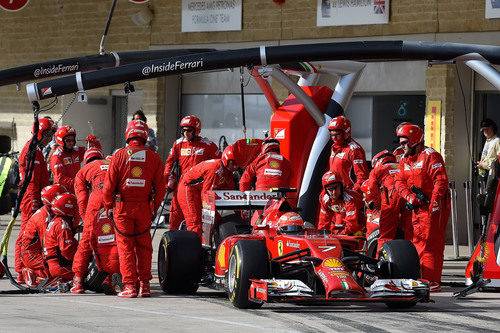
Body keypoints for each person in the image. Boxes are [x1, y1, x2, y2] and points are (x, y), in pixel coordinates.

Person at [102, 119, 166, 298]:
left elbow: (108, 188)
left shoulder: (119, 156)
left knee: (125, 246)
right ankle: (145, 285)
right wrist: (154, 207)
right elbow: (161, 188)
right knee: (144, 246)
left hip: (122, 208)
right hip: (144, 207)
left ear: (128, 134)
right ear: (145, 136)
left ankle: (130, 285)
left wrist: (108, 206)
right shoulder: (154, 157)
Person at [394, 123, 451, 292]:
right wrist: (409, 197)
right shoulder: (404, 160)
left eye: (405, 143)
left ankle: (431, 280)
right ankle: (420, 278)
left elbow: (441, 181)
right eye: (401, 143)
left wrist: (434, 203)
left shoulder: (430, 156)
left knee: (431, 244)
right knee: (418, 242)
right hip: (416, 207)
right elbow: (399, 181)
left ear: (415, 141)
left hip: (434, 206)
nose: (401, 146)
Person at [163, 115, 220, 230]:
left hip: (200, 187)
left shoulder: (207, 144)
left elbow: (220, 163)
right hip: (181, 186)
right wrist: (168, 180)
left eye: (189, 130)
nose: (186, 133)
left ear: (196, 130)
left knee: (198, 219)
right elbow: (169, 163)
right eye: (183, 130)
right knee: (175, 218)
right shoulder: (178, 144)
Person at [15, 117, 54, 283]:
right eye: (48, 135)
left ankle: (28, 267)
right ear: (40, 133)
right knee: (25, 234)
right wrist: (34, 201)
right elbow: (30, 179)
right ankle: (20, 269)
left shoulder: (37, 150)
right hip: (30, 199)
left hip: (35, 197)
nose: (49, 139)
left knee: (31, 234)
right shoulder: (31, 151)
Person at [71, 148, 111, 293]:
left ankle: (78, 281)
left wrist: (85, 218)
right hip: (115, 198)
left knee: (86, 242)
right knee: (117, 239)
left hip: (97, 197)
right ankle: (114, 278)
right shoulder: (112, 162)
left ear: (86, 160)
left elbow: (82, 199)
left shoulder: (83, 171)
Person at [177, 145, 239, 238]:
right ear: (226, 160)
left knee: (218, 220)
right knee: (195, 224)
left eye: (237, 163)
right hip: (188, 188)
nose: (235, 166)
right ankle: (194, 250)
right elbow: (206, 197)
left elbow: (231, 196)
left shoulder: (228, 173)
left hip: (200, 190)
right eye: (233, 162)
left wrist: (240, 215)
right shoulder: (215, 170)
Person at [20, 184, 67, 287]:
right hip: (31, 255)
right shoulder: (44, 218)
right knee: (56, 271)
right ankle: (34, 273)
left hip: (35, 251)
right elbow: (46, 245)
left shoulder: (49, 212)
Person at [364, 150, 406, 251]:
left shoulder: (377, 170)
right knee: (410, 234)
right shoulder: (403, 166)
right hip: (407, 197)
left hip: (390, 199)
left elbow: (372, 188)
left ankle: (380, 261)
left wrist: (378, 205)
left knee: (385, 235)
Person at [43, 193, 79, 283]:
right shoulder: (63, 225)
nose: (76, 209)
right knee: (86, 276)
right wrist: (82, 260)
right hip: (60, 266)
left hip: (53, 264)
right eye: (74, 207)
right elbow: (67, 250)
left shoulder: (56, 221)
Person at [328, 116, 369, 192]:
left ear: (346, 133)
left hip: (348, 193)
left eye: (337, 135)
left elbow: (362, 176)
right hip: (334, 193)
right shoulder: (333, 147)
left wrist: (353, 192)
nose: (334, 138)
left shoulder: (354, 149)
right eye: (332, 135)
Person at [317, 170, 365, 235]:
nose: (334, 192)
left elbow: (352, 224)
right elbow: (323, 222)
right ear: (326, 190)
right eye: (330, 189)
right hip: (344, 224)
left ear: (341, 186)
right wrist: (321, 236)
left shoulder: (349, 199)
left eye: (335, 188)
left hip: (360, 225)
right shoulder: (325, 200)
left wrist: (339, 236)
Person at [49, 126, 86, 194]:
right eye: (68, 141)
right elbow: (60, 179)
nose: (71, 143)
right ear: (61, 140)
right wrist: (78, 183)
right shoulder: (57, 156)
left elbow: (93, 153)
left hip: (76, 190)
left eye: (72, 140)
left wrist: (94, 142)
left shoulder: (76, 150)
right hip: (63, 193)